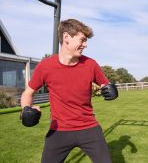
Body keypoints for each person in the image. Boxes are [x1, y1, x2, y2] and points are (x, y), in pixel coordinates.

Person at [20, 18, 118, 163]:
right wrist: (25, 109)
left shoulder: (91, 64)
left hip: (89, 128)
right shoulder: (45, 66)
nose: (85, 45)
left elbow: (106, 85)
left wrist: (112, 90)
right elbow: (28, 93)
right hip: (59, 130)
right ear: (66, 37)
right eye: (82, 40)